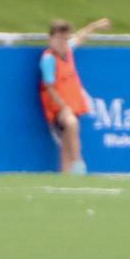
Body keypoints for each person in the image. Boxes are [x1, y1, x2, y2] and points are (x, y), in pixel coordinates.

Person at [40, 16, 110, 174]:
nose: (62, 42)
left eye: (65, 39)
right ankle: (78, 162)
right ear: (50, 38)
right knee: (71, 123)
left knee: (65, 146)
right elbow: (49, 86)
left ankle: (66, 178)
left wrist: (95, 25)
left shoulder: (68, 51)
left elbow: (80, 37)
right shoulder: (48, 59)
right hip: (58, 108)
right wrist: (63, 107)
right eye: (58, 38)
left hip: (71, 105)